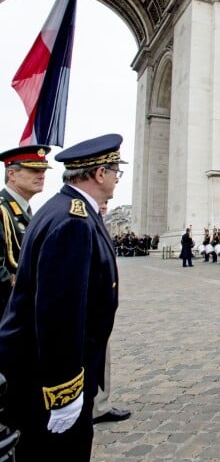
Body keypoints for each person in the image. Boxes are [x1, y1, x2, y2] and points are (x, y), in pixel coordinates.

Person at [0, 134, 126, 461]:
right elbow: (59, 317)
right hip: (49, 378)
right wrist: (64, 393)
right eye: (116, 172)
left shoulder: (59, 208)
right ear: (100, 174)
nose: (116, 179)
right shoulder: (73, 221)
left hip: (37, 369)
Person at [92, 201, 131, 426]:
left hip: (101, 307)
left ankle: (99, 405)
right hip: (88, 306)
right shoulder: (79, 219)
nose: (105, 206)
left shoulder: (95, 220)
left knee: (99, 357)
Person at [0, 145, 51, 315]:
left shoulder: (25, 210)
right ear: (11, 174)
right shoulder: (2, 209)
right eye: (33, 170)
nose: (42, 175)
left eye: (43, 170)